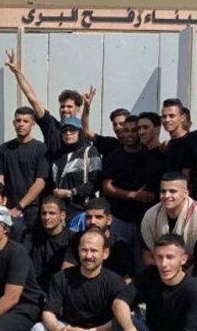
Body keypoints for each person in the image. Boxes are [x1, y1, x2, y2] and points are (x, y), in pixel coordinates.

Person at [30, 228, 125, 331]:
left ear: (105, 253)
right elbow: (48, 312)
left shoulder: (115, 282)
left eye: (94, 251)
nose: (88, 256)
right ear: (78, 251)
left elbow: (121, 320)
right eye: (84, 250)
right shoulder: (61, 277)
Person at [4, 48, 82, 154]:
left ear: (78, 109)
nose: (65, 109)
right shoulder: (51, 125)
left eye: (69, 106)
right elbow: (32, 98)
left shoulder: (83, 131)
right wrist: (17, 71)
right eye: (62, 106)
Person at [100, 115, 154, 243]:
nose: (130, 134)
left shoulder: (150, 154)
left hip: (146, 219)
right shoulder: (113, 157)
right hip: (120, 219)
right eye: (126, 131)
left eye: (134, 130)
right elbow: (107, 188)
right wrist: (134, 196)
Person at [140, 172, 197, 265]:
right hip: (158, 270)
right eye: (163, 191)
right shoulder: (150, 215)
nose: (166, 196)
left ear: (186, 193)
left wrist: (177, 278)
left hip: (191, 273)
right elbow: (148, 256)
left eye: (172, 191)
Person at [0, 106, 49, 225]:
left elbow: (40, 182)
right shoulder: (4, 149)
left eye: (25, 121)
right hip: (8, 208)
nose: (21, 124)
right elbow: (0, 178)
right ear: (13, 123)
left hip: (32, 209)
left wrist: (20, 206)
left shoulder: (40, 149)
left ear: (33, 124)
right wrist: (1, 204)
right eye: (18, 121)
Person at [62, 198, 135, 281]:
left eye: (98, 217)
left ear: (109, 220)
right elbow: (66, 272)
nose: (93, 221)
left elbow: (128, 280)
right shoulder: (77, 239)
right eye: (89, 217)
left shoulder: (120, 245)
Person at [48, 117, 100, 221]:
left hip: (82, 211)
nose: (68, 133)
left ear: (79, 132)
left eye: (72, 130)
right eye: (64, 131)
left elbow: (96, 182)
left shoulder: (90, 151)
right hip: (61, 213)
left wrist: (70, 192)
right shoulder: (58, 156)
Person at [27, 196, 71, 291]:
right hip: (34, 289)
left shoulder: (72, 238)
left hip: (59, 290)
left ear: (62, 215)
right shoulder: (32, 236)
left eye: (52, 213)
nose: (46, 217)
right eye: (43, 213)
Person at [80, 87, 128, 156]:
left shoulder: (139, 147)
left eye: (121, 124)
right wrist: (86, 107)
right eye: (115, 124)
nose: (117, 128)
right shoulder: (109, 144)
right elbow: (86, 132)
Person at [160, 98, 190, 174]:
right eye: (164, 116)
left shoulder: (192, 142)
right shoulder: (165, 147)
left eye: (171, 116)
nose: (167, 120)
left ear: (182, 118)